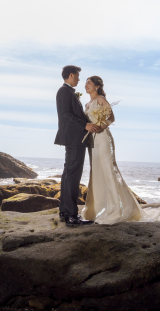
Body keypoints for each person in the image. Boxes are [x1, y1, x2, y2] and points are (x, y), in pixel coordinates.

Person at [80, 75, 160, 224]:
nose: (86, 85)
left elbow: (111, 118)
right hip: (92, 141)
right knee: (96, 171)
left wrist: (101, 125)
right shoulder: (87, 104)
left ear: (97, 86)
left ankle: (116, 209)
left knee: (108, 170)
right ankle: (98, 209)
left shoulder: (101, 100)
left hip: (103, 138)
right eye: (85, 83)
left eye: (89, 83)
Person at [55, 65, 99, 227]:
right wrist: (85, 125)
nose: (79, 79)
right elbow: (65, 115)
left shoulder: (67, 92)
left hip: (73, 139)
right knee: (72, 176)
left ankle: (64, 211)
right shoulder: (64, 91)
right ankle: (72, 216)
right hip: (74, 139)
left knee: (68, 174)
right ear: (71, 75)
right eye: (78, 76)